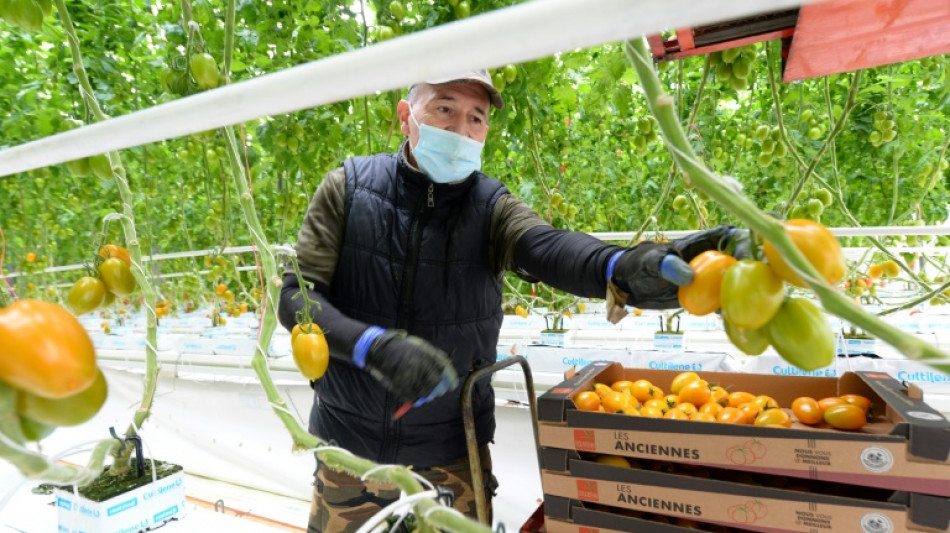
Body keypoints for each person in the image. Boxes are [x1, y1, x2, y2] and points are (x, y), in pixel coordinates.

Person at [277, 69, 738, 532]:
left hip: (450, 451)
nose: (461, 130)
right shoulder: (348, 188)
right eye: (445, 109)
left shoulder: (489, 206)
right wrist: (371, 346)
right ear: (406, 116)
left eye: (476, 118)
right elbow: (297, 295)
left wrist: (617, 268)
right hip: (346, 446)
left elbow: (547, 248)